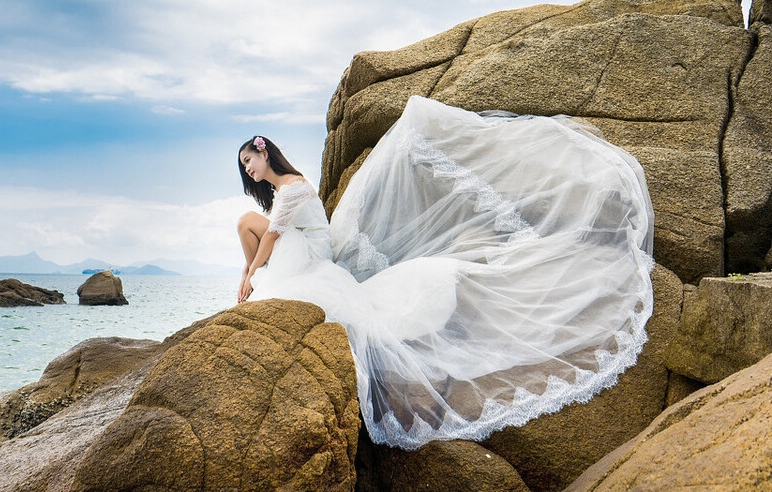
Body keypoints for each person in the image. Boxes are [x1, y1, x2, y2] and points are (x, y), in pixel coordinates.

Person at [235, 95, 654, 450]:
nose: (249, 169)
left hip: (309, 255)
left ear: (264, 152)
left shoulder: (293, 186)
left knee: (248, 226)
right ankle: (255, 286)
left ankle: (253, 287)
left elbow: (271, 235)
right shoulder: (283, 189)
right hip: (303, 253)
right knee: (249, 227)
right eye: (244, 166)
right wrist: (251, 270)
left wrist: (249, 273)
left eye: (249, 160)